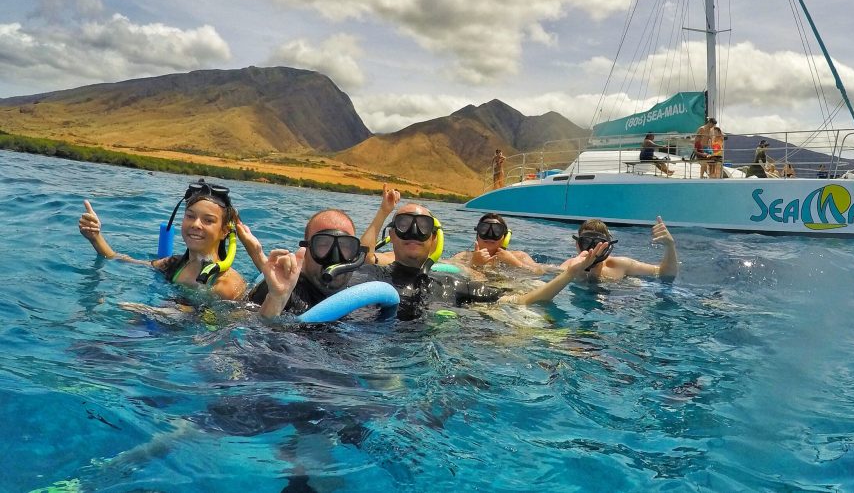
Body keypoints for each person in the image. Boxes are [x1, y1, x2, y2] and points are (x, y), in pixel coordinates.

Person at [263, 202, 607, 321]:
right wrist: (277, 292)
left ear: (433, 240)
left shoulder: (453, 283)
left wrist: (568, 276)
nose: (412, 231)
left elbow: (522, 299)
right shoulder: (363, 276)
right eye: (402, 225)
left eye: (422, 226)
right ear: (392, 236)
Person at [245, 184, 400, 318]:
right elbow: (245, 336)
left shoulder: (363, 285)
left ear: (355, 254)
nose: (335, 257)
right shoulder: (281, 291)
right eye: (323, 245)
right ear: (305, 251)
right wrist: (275, 301)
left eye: (345, 246)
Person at [77, 179, 247, 300]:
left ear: (225, 231)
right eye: (190, 216)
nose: (196, 224)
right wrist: (95, 237)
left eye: (208, 220)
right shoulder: (173, 264)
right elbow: (121, 260)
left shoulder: (227, 285)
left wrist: (168, 314)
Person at [558, 217, 678, 282]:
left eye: (598, 244)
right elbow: (544, 271)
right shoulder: (569, 267)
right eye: (586, 243)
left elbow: (665, 273)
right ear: (577, 244)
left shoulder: (619, 265)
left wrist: (670, 246)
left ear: (608, 246)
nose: (592, 250)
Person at [447, 213, 546, 274]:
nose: (490, 235)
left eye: (496, 231)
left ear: (505, 236)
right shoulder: (464, 257)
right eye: (484, 230)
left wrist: (514, 262)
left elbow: (539, 271)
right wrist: (473, 263)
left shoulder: (518, 256)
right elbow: (441, 267)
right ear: (477, 234)